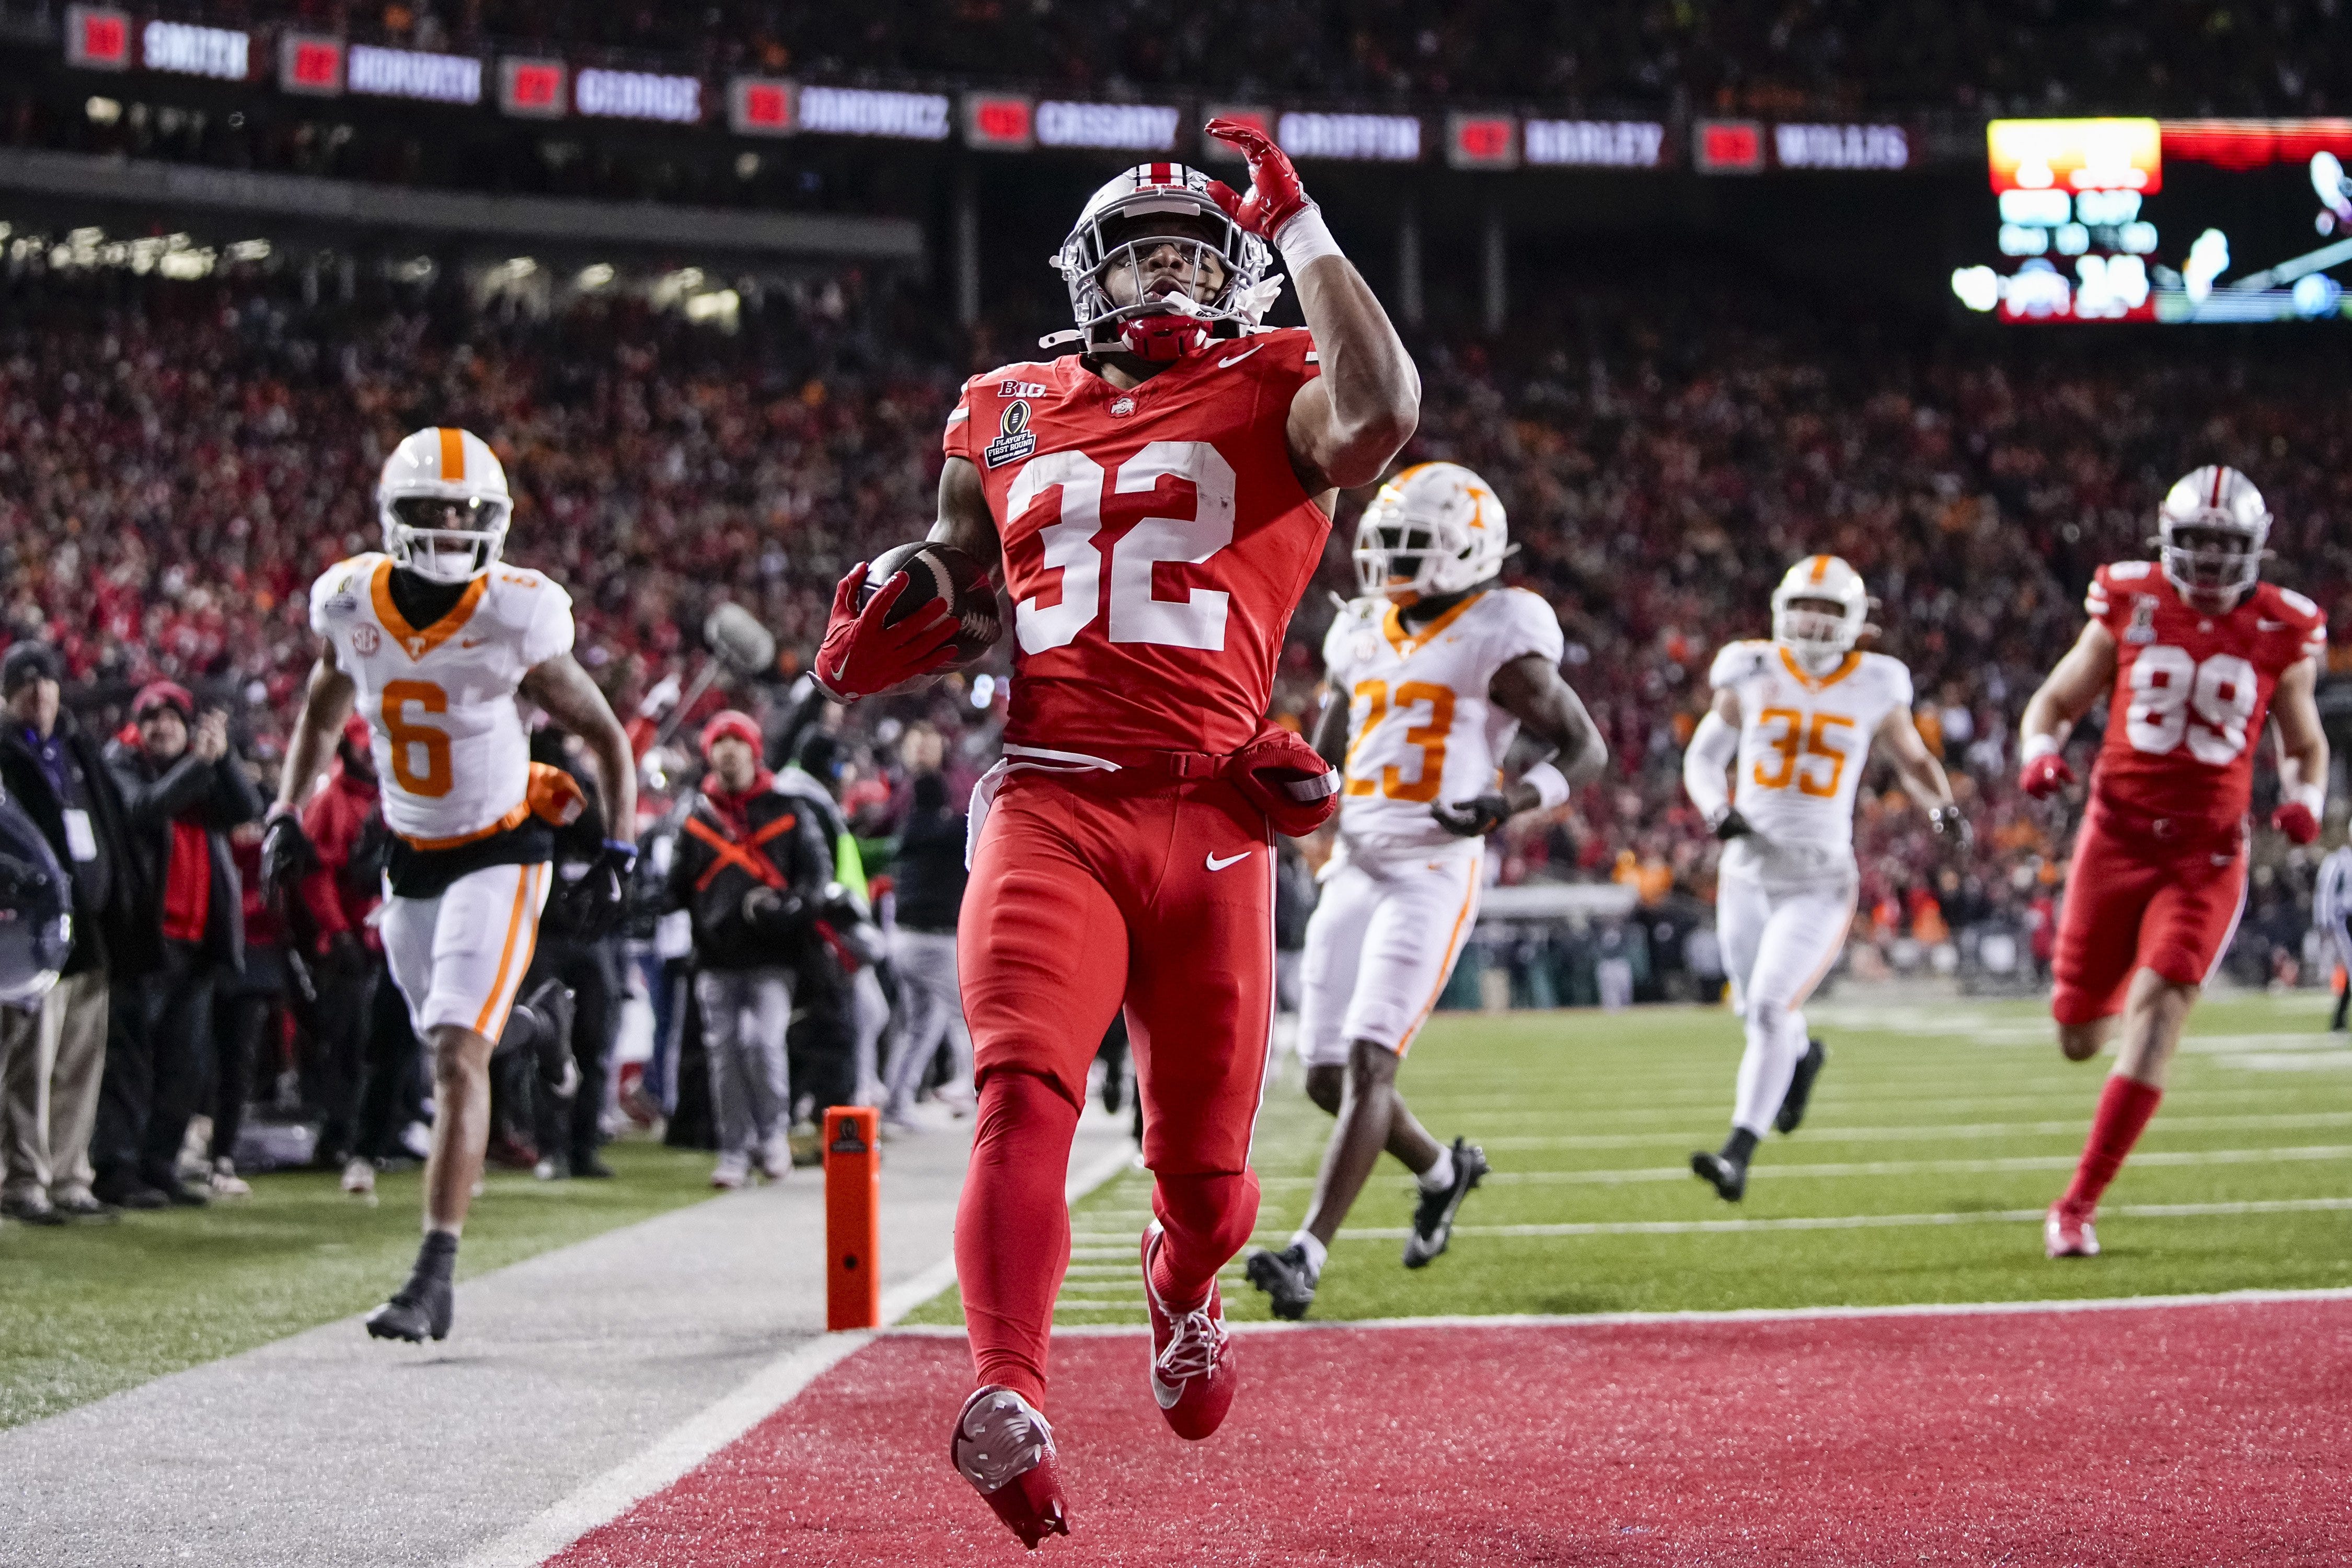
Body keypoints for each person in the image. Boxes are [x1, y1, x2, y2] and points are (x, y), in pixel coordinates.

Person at [814, 126, 1416, 1544]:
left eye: (1191, 253)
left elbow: (1381, 410)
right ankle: (1004, 1387)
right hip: (1049, 798)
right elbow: (957, 595)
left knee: (1206, 1183)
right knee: (1022, 1089)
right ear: (1085, 275)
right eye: (1137, 252)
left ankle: (1180, 1283)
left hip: (1209, 814)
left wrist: (1306, 222)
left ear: (1243, 279)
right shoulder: (1000, 410)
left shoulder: (1282, 382)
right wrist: (887, 620)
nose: (1161, 271)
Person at [263, 425, 636, 1343]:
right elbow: (319, 717)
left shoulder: (514, 613)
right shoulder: (350, 604)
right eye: (432, 510)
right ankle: (540, 1024)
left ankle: (434, 1273)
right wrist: (284, 809)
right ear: (394, 517)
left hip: (502, 847)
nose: (450, 525)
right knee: (448, 1033)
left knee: (453, 1053)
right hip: (411, 851)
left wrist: (618, 850)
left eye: (467, 511)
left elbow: (608, 738)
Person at [1243, 463, 1605, 1322]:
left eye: (1410, 546)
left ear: (1466, 550)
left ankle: (1307, 1253)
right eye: (1385, 545)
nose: (1390, 562)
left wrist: (1510, 801)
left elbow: (1583, 749)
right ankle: (1444, 1172)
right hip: (1356, 865)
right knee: (1325, 1079)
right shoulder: (1362, 629)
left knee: (1373, 1062)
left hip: (1433, 868)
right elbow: (1326, 746)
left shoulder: (1498, 632)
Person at [2019, 466, 2327, 1259]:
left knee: (2161, 1011)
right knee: (2079, 1034)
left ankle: (2078, 1203)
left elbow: (2304, 747)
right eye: (2199, 544)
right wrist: (2042, 754)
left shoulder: (2283, 627)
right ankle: (2127, 981)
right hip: (2114, 840)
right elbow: (2052, 706)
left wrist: (2306, 801)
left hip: (2206, 855)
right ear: (2170, 541)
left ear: (2255, 548)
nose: (2215, 564)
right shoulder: (2130, 599)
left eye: (2229, 547)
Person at [1680, 555, 1967, 1202]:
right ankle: (1804, 1059)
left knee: (1772, 1004)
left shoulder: (1875, 683)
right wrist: (1716, 809)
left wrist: (1944, 810)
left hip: (1818, 880)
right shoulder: (1750, 670)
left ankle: (1738, 1152)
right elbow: (1703, 757)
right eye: (1805, 607)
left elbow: (1915, 763)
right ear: (1783, 610)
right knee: (1757, 1011)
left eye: (1829, 610)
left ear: (1856, 621)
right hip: (1746, 874)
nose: (1813, 621)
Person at [95, 682, 263, 1208]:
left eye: (171, 718)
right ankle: (117, 1168)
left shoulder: (201, 767)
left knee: (183, 1066)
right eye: (151, 719)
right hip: (143, 938)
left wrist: (225, 756)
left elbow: (246, 807)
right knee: (129, 1063)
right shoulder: (120, 764)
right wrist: (199, 765)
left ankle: (159, 1164)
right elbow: (144, 808)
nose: (160, 727)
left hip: (197, 942)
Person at [0, 643, 151, 1223]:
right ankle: (24, 1181)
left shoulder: (78, 749)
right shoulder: (7, 752)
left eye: (47, 683)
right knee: (29, 1066)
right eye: (26, 684)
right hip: (30, 935)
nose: (39, 693)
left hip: (90, 930)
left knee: (80, 1062)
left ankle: (69, 1175)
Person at [665, 710, 829, 1187]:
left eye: (738, 741)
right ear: (709, 753)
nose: (729, 751)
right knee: (725, 1053)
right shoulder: (696, 815)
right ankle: (734, 1150)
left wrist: (794, 907)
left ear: (755, 751)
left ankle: (773, 1138)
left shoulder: (787, 807)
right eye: (720, 742)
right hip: (716, 955)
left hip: (773, 955)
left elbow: (817, 874)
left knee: (762, 1044)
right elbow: (676, 885)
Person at [881, 743, 972, 1129]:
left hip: (901, 939)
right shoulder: (952, 831)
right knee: (966, 1017)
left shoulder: (909, 830)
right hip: (937, 939)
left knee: (918, 1027)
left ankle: (896, 1102)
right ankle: (968, 1087)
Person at [2316, 841, 2352, 1031]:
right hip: (2344, 920)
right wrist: (2325, 921)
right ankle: (2339, 1021)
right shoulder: (2338, 861)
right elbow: (2325, 893)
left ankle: (2339, 1021)